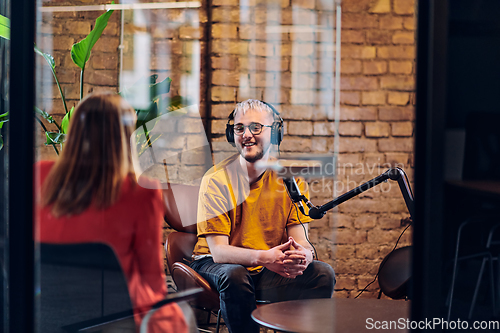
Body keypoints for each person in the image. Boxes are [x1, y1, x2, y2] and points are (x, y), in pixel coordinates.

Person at [35, 91, 189, 333]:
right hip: (114, 321)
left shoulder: (39, 175)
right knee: (183, 316)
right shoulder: (140, 192)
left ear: (75, 131)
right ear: (124, 136)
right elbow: (150, 278)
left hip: (44, 316)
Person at [189, 99, 335, 333]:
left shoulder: (291, 181)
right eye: (239, 128)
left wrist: (304, 256)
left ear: (275, 133)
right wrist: (266, 257)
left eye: (256, 127)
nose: (246, 134)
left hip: (266, 268)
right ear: (231, 134)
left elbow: (301, 240)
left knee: (322, 273)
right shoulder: (216, 179)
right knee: (235, 275)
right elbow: (219, 252)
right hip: (215, 264)